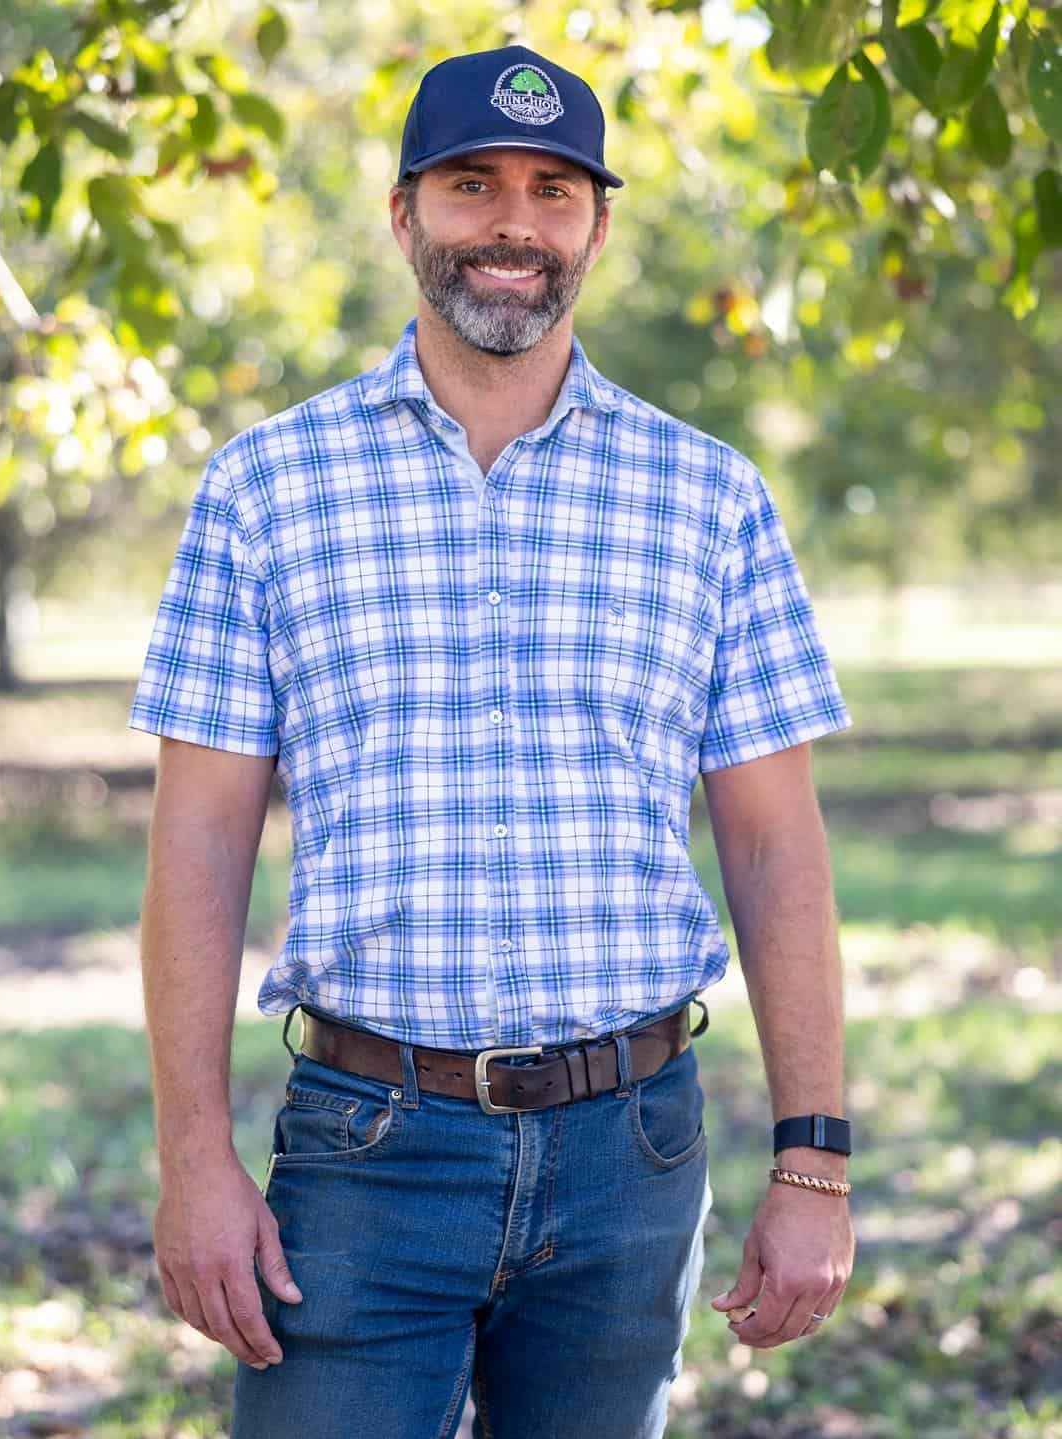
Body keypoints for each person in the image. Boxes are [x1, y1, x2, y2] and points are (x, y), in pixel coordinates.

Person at [129, 42, 856, 1439]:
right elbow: (199, 837)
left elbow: (776, 845)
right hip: (363, 1152)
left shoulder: (708, 500)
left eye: (553, 189)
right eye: (472, 185)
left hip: (633, 1155)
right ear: (404, 216)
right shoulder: (268, 489)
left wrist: (813, 1164)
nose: (514, 225)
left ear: (596, 225)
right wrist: (192, 1158)